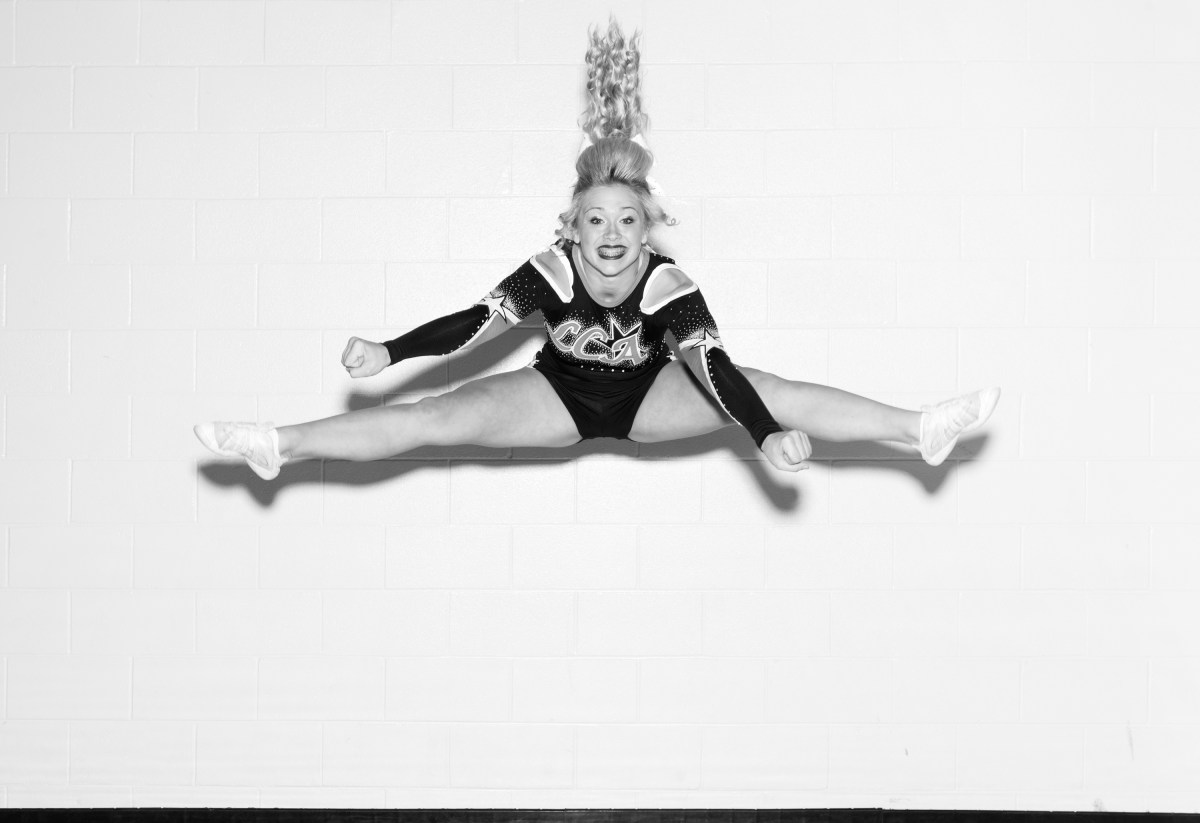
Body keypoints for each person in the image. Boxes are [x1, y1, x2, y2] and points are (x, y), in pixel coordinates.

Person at [195, 21, 998, 482]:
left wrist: (762, 437)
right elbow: (473, 326)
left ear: (647, 231)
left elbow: (715, 373)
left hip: (651, 398)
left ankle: (917, 428)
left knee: (767, 385)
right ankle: (280, 444)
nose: (611, 238)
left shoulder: (667, 284)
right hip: (557, 396)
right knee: (430, 417)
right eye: (596, 223)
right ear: (570, 229)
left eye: (627, 223)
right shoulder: (550, 273)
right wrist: (389, 349)